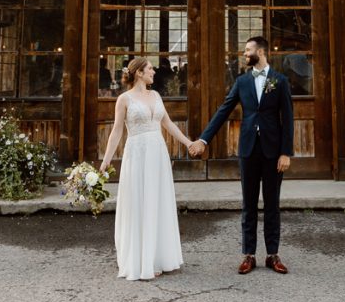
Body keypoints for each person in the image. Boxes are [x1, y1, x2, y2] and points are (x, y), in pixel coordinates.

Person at [189, 36, 293, 275]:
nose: (245, 54)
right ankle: (249, 255)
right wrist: (204, 139)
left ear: (262, 52)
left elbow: (287, 119)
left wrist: (286, 152)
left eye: (248, 50)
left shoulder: (280, 81)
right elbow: (223, 110)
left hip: (273, 151)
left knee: (272, 204)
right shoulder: (242, 81)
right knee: (248, 204)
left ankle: (272, 255)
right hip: (248, 150)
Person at [100, 57, 200, 281]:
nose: (154, 72)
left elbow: (168, 124)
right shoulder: (124, 100)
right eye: (150, 69)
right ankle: (141, 259)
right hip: (137, 153)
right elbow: (117, 131)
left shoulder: (156, 96)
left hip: (157, 153)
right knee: (139, 202)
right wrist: (106, 160)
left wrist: (188, 143)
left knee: (157, 201)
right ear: (138, 73)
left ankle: (157, 257)